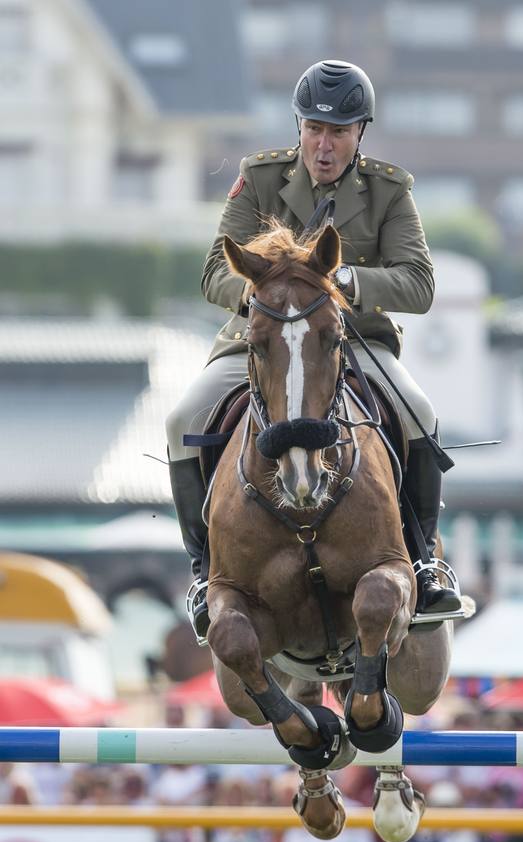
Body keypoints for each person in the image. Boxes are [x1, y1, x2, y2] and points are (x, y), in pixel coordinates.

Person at [166, 59, 462, 639]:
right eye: (314, 130)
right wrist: (265, 302)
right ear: (299, 127)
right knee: (181, 420)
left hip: (352, 342)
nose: (323, 146)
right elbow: (212, 274)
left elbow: (419, 284)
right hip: (264, 339)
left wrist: (349, 283)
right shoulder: (259, 179)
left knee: (420, 413)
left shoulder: (388, 190)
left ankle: (424, 561)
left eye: (339, 132)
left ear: (360, 135)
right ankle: (205, 570)